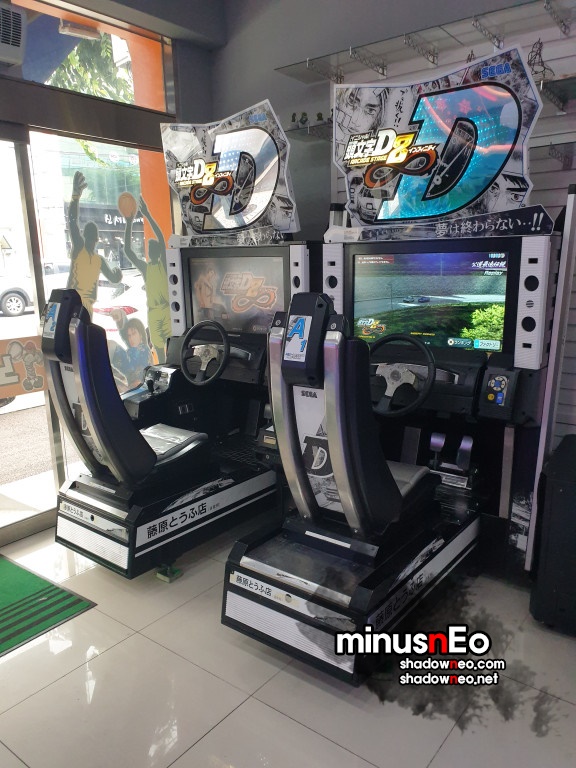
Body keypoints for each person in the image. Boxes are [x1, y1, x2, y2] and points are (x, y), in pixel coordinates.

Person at [67, 171, 122, 317]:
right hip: (74, 305)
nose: (93, 241)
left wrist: (117, 275)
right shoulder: (79, 248)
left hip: (86, 307)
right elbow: (72, 222)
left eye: (93, 238)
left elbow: (113, 278)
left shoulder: (98, 260)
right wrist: (75, 198)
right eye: (91, 238)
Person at [123, 196, 170, 363]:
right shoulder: (146, 268)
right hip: (154, 312)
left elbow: (161, 238)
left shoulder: (163, 264)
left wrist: (148, 215)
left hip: (167, 310)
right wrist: (129, 222)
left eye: (152, 247)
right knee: (160, 353)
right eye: (149, 248)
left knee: (172, 349)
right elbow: (128, 251)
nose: (149, 250)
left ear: (156, 250)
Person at [109, 311, 152, 391]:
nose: (131, 338)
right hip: (133, 388)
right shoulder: (134, 349)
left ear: (141, 335)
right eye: (129, 336)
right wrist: (120, 320)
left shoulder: (143, 350)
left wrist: (121, 318)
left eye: (134, 333)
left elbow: (135, 369)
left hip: (138, 389)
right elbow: (124, 336)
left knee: (111, 344)